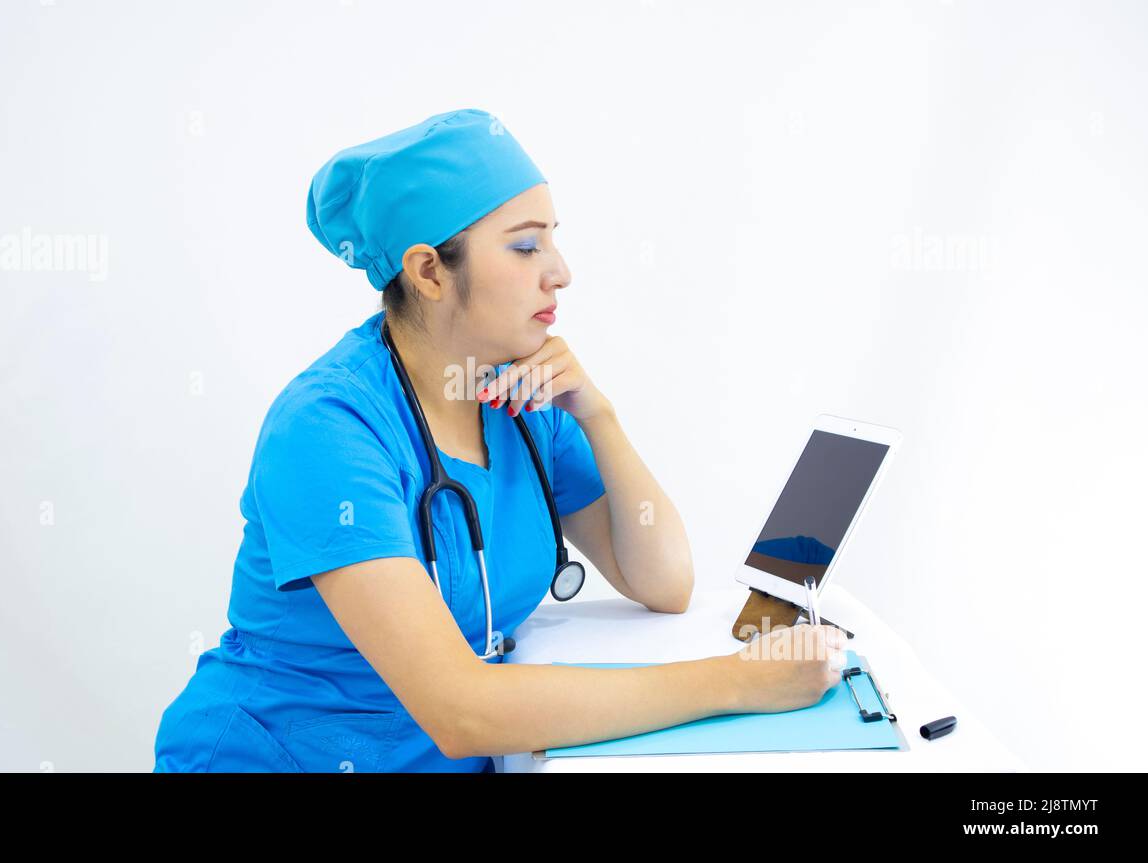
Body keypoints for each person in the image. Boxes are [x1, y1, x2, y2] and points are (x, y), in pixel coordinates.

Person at [152, 108, 847, 773]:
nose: (561, 270)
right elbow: (460, 710)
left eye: (553, 237)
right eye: (525, 245)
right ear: (428, 272)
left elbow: (662, 580)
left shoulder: (518, 397)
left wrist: (597, 413)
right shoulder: (327, 429)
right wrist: (741, 681)